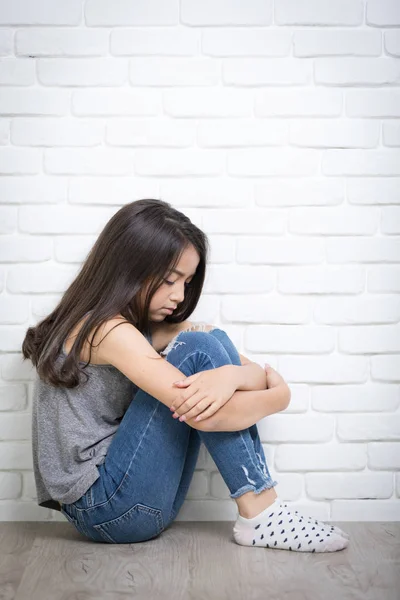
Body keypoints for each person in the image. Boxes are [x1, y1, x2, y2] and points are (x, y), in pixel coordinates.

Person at [22, 198, 349, 552]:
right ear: (126, 268)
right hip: (106, 508)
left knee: (208, 340)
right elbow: (214, 417)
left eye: (187, 282)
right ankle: (261, 511)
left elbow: (251, 371)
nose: (179, 296)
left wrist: (232, 378)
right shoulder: (106, 331)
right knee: (197, 347)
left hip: (136, 504)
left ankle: (262, 511)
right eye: (169, 280)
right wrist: (278, 397)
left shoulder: (137, 329)